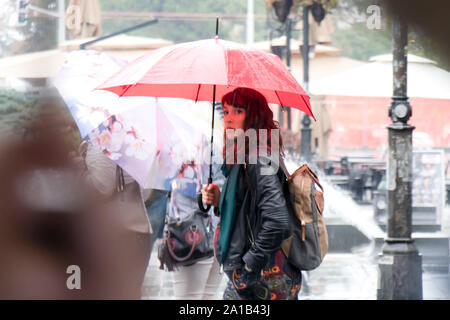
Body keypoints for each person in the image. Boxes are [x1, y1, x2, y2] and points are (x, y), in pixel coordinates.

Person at [201, 87, 302, 300]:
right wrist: (220, 200)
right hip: (254, 275)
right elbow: (250, 208)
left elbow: (277, 219)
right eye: (226, 111)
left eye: (238, 111)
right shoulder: (248, 155)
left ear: (254, 116)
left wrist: (249, 264)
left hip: (262, 276)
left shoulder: (258, 158)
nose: (228, 119)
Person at [79, 140, 153, 299]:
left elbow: (101, 187)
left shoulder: (103, 140)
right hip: (137, 230)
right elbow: (147, 194)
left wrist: (78, 172)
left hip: (117, 236)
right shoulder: (133, 140)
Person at [164, 160, 224, 300]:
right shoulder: (227, 143)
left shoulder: (189, 145)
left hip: (192, 232)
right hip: (221, 228)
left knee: (189, 297)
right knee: (207, 295)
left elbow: (187, 185)